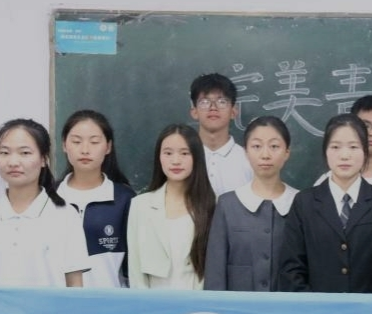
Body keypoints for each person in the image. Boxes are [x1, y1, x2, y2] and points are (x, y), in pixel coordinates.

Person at [280, 113, 372, 294]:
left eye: (353, 147)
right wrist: (313, 307)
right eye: (335, 147)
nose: (344, 155)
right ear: (325, 151)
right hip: (317, 309)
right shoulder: (305, 202)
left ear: (365, 151)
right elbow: (292, 270)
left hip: (370, 309)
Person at [0, 119, 88, 287]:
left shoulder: (65, 216)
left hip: (46, 306)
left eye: (25, 153)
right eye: (4, 153)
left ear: (44, 159)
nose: (13, 162)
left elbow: (75, 286)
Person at [204, 116, 298, 292]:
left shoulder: (300, 203)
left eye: (274, 146)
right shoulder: (227, 205)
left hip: (288, 307)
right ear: (246, 152)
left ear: (287, 152)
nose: (265, 155)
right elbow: (215, 273)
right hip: (238, 308)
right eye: (256, 146)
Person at [127, 124, 215, 290]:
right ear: (159, 157)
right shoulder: (140, 206)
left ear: (197, 157)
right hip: (153, 301)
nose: (176, 161)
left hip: (198, 301)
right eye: (168, 153)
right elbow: (135, 270)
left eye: (184, 153)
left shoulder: (213, 204)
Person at [56, 110, 136, 288]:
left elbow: (133, 266)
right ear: (64, 145)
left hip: (108, 300)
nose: (85, 150)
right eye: (76, 141)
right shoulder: (49, 197)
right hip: (58, 300)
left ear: (108, 147)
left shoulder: (124, 199)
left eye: (94, 142)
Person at [189, 72, 252, 197]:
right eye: (205, 102)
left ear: (234, 111)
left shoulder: (250, 160)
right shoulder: (181, 158)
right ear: (194, 112)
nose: (213, 107)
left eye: (222, 101)